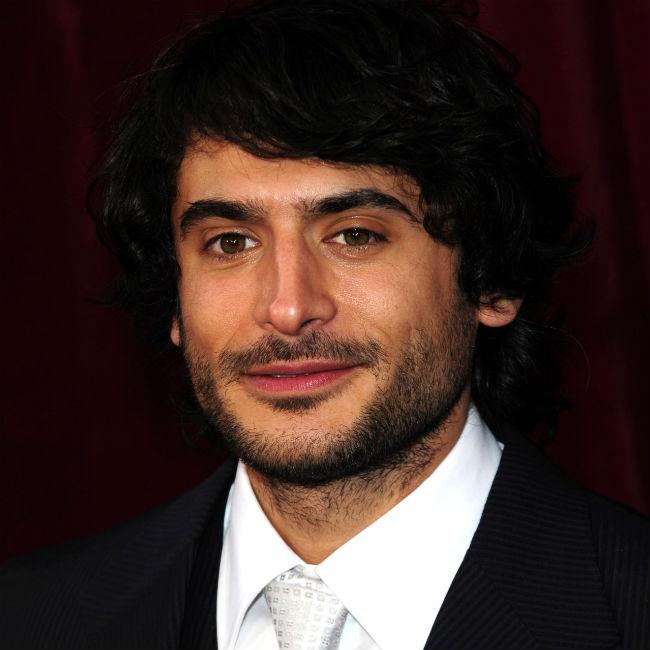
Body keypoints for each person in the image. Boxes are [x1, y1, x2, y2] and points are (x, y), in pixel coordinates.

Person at [1, 0, 648, 648]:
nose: (287, 308)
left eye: (354, 235)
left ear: (491, 278)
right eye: (230, 243)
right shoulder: (30, 619)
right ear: (174, 295)